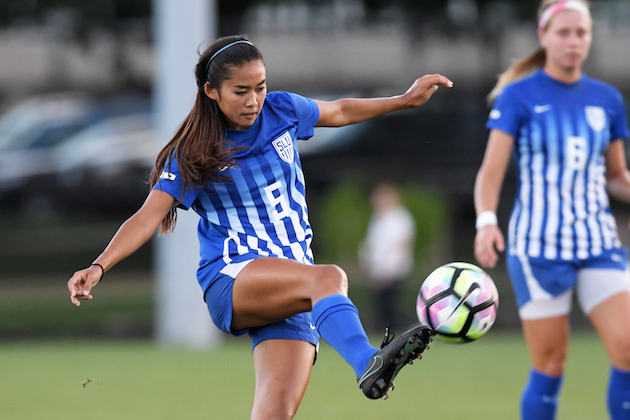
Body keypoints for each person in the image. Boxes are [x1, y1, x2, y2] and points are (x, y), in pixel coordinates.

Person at [67, 35, 452, 418]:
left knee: (274, 415)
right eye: (240, 91)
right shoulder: (195, 151)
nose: (254, 100)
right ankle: (369, 361)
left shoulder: (282, 110)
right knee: (329, 278)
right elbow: (146, 217)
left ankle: (369, 363)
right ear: (212, 91)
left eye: (260, 88)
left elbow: (339, 111)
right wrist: (98, 266)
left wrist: (403, 100)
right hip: (234, 277)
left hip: (294, 287)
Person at [473, 1, 630, 419]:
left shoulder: (608, 99)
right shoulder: (519, 96)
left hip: (598, 242)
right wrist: (486, 222)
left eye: (582, 33)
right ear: (544, 37)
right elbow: (490, 174)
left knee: (628, 349)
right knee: (550, 365)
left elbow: (617, 175)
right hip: (538, 249)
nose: (574, 41)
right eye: (564, 33)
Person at [360, 183, 416, 328]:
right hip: (378, 270)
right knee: (381, 305)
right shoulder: (376, 218)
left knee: (391, 304)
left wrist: (390, 268)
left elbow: (402, 245)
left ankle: (407, 327)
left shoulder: (400, 217)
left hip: (393, 270)